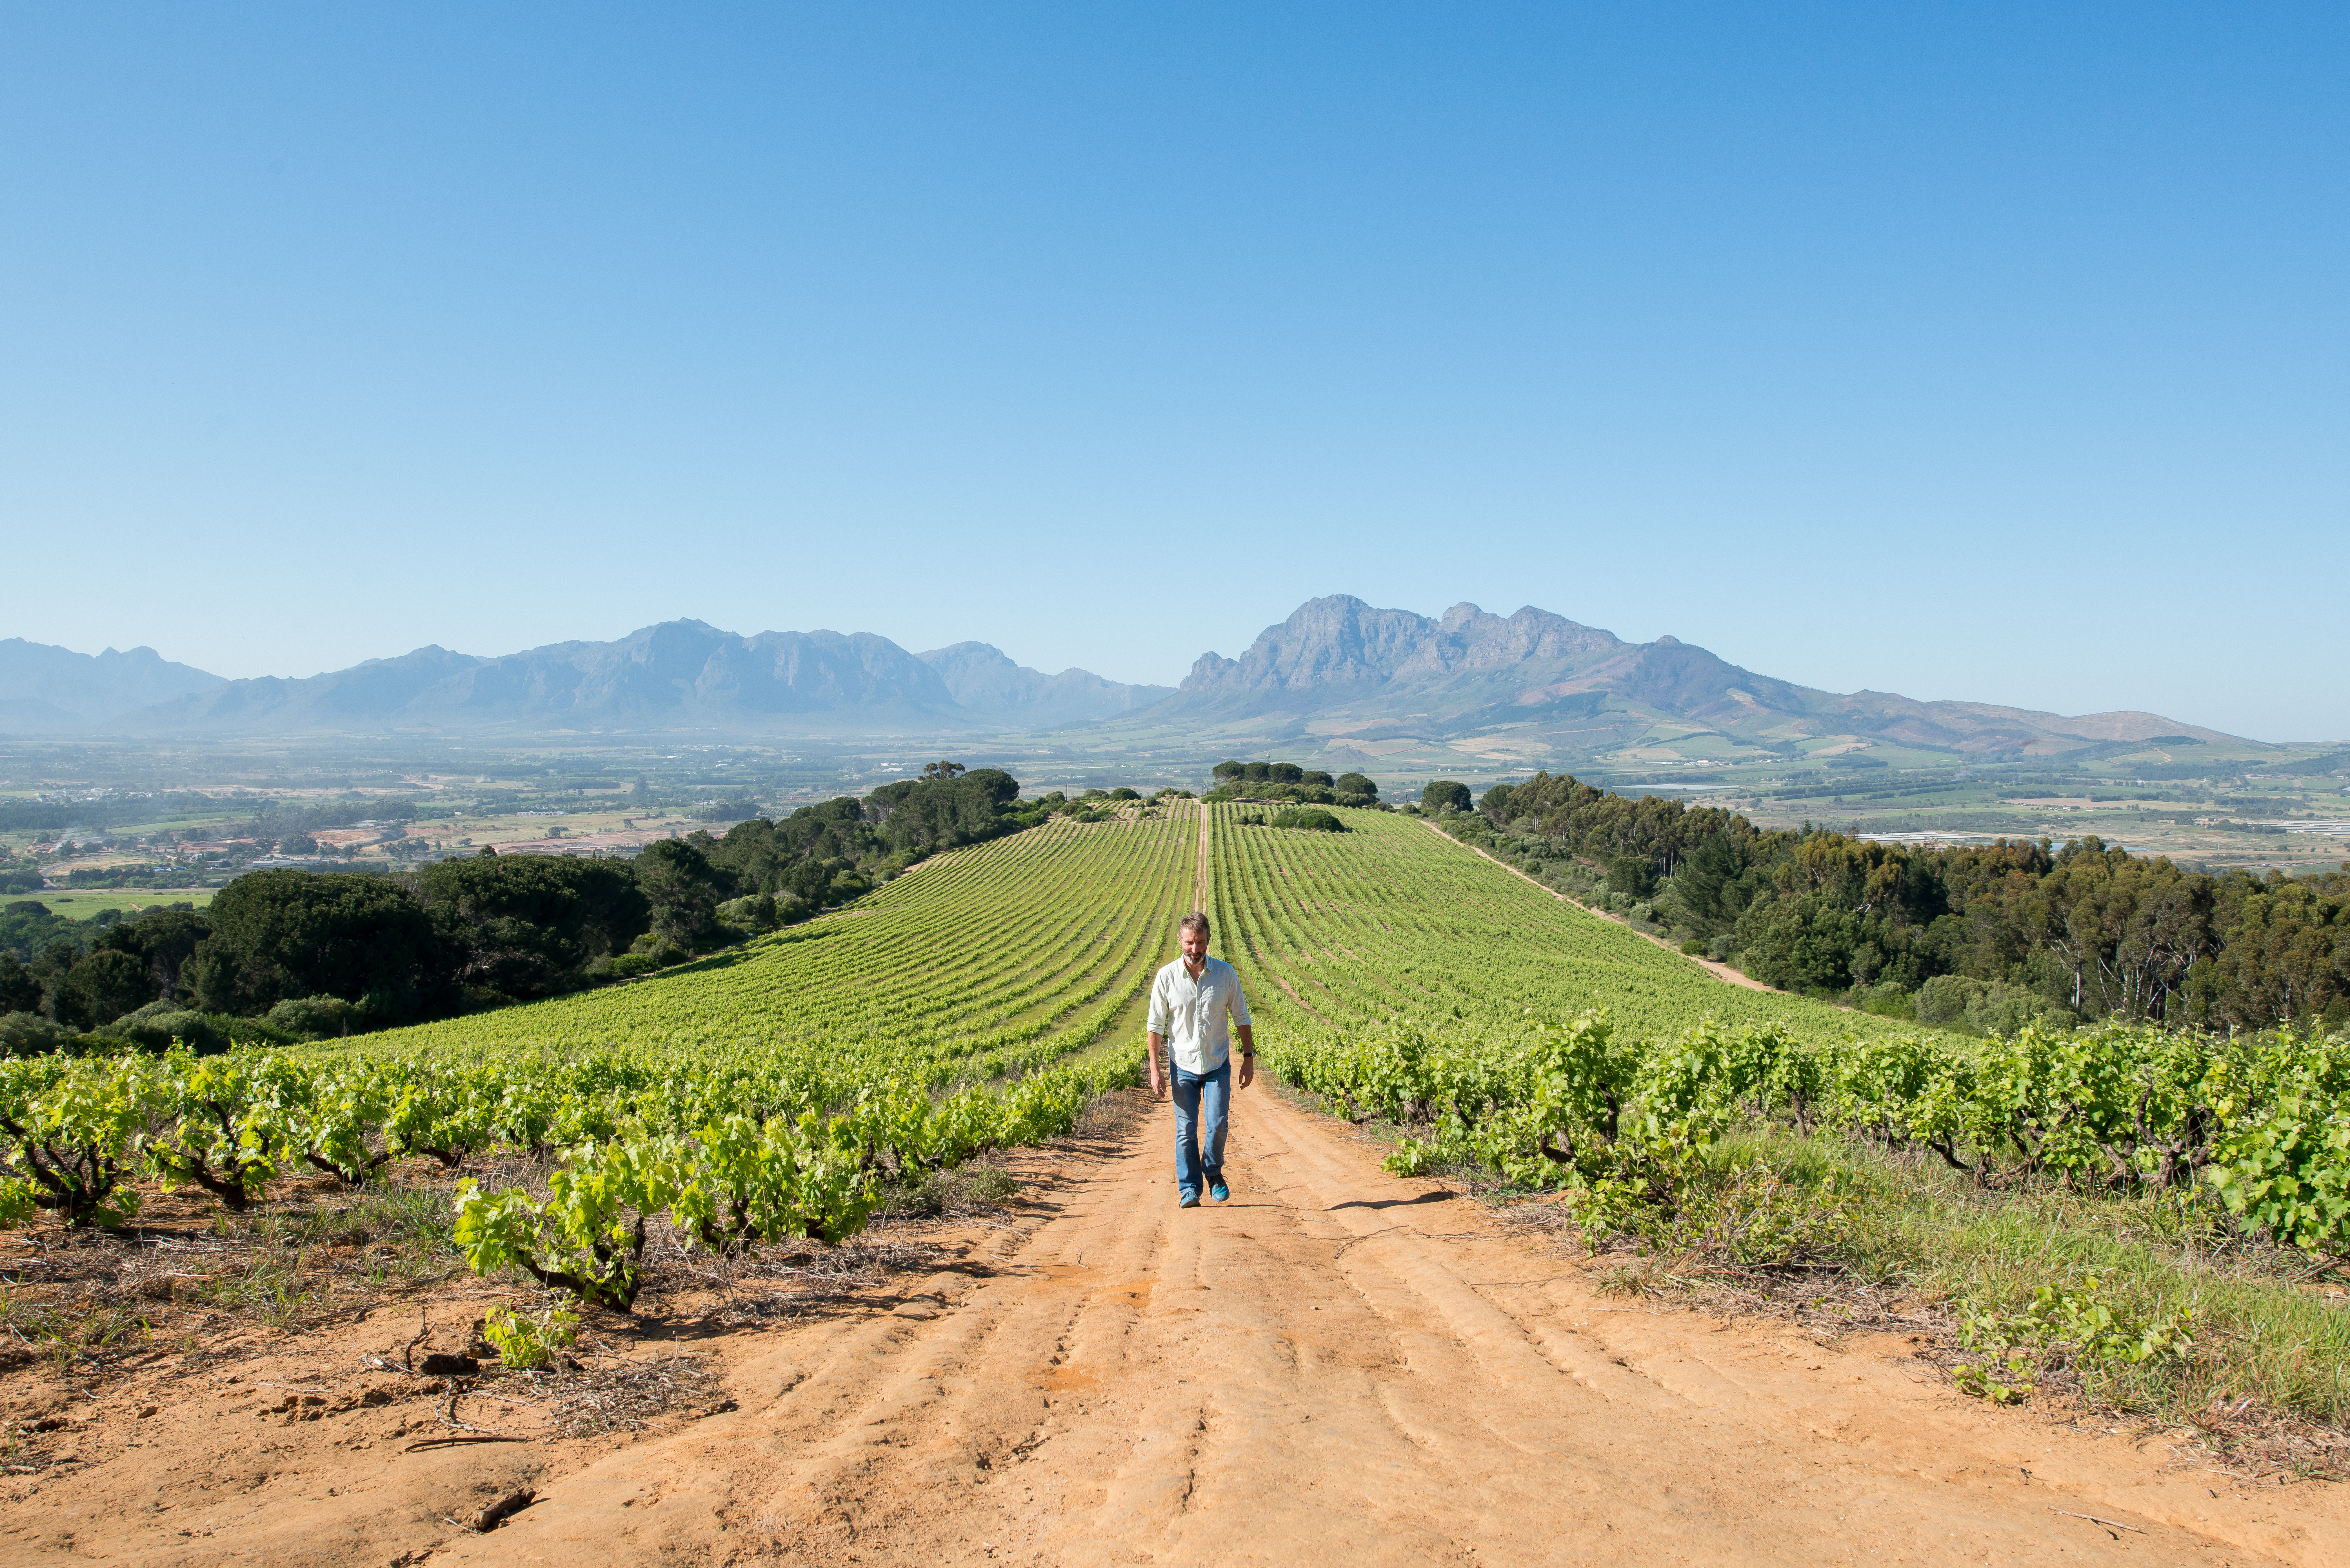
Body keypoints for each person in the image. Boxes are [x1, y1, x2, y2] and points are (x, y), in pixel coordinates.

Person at [1145, 911, 1254, 1207]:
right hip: (1182, 1066)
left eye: (1201, 943)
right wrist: (1155, 1069)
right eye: (1190, 942)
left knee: (1218, 1123)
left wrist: (1248, 1057)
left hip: (1217, 1063)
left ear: (1209, 941)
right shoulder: (1166, 977)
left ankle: (1213, 1171)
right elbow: (1155, 1026)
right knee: (1186, 1130)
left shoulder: (1225, 974)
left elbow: (1241, 1016)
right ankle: (1189, 1189)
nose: (1195, 949)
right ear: (1180, 940)